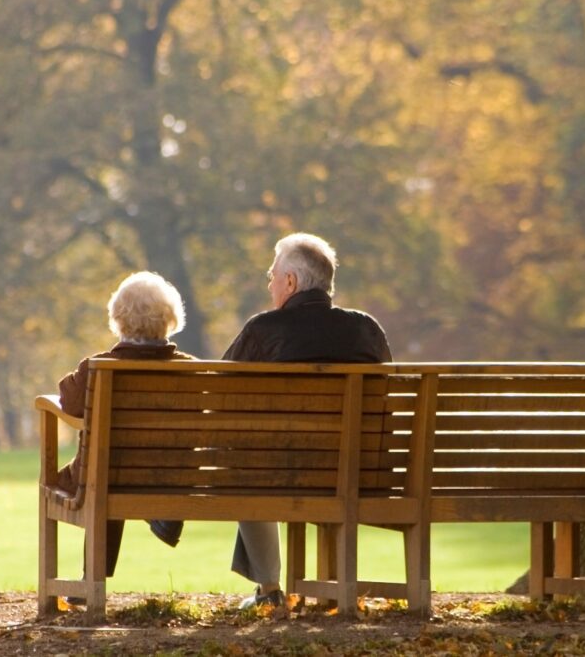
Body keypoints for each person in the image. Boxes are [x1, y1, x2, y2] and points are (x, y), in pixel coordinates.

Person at [222, 232, 392, 609]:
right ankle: (283, 587)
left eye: (272, 275)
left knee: (243, 458)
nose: (269, 284)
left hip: (278, 474)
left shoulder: (263, 330)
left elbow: (217, 393)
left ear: (291, 282)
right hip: (362, 472)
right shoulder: (367, 329)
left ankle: (269, 590)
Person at [55, 271, 194, 581]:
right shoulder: (191, 370)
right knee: (112, 464)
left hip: (106, 476)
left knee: (101, 467)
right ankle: (162, 512)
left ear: (118, 318)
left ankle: (93, 580)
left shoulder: (97, 368)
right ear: (170, 317)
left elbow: (70, 402)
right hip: (168, 479)